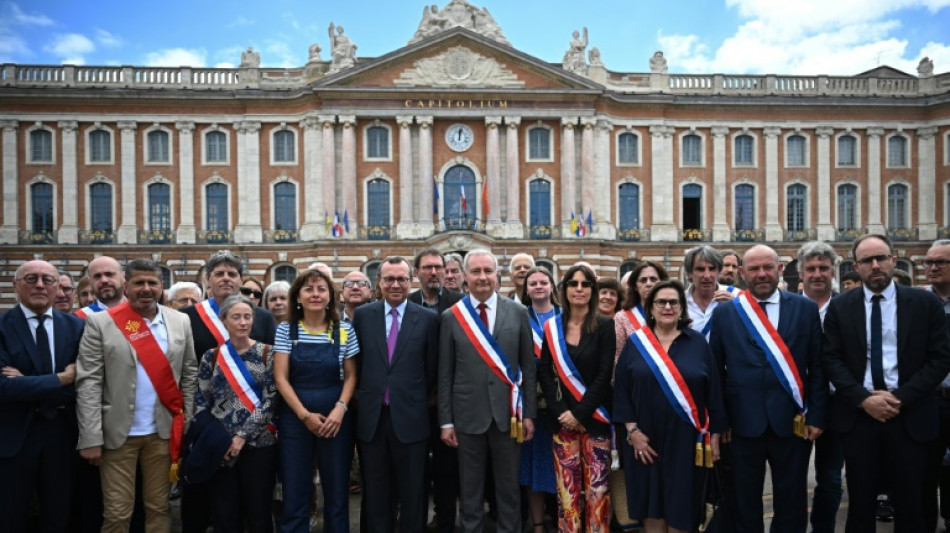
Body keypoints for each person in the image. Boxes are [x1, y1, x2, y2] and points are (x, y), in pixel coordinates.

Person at [823, 234, 950, 533]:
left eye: (881, 258)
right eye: (867, 260)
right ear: (856, 267)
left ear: (893, 260)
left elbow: (939, 358)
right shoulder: (840, 306)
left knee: (913, 504)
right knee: (860, 504)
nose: (876, 265)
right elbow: (831, 360)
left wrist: (901, 398)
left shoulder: (924, 303)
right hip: (860, 417)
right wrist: (864, 399)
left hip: (910, 414)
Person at [708, 245, 826, 532]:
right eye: (754, 269)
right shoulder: (725, 313)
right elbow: (716, 372)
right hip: (741, 423)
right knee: (744, 498)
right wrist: (720, 422)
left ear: (780, 269)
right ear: (742, 273)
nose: (761, 274)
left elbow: (818, 366)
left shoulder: (805, 308)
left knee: (792, 498)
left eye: (768, 267)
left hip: (793, 421)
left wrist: (817, 415)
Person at [76, 259, 198, 533]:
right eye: (138, 282)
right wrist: (91, 437)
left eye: (152, 282)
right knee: (117, 512)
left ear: (161, 286)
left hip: (163, 433)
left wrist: (186, 421)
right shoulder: (101, 322)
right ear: (126, 285)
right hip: (117, 434)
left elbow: (189, 374)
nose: (146, 288)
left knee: (159, 508)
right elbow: (89, 382)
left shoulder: (180, 321)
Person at [614, 280, 726, 532]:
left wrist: (715, 437)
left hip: (688, 441)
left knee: (683, 508)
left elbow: (714, 393)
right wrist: (633, 432)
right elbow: (621, 392)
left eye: (673, 302)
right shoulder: (636, 343)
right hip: (645, 442)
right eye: (661, 302)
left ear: (682, 308)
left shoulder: (697, 343)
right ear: (650, 308)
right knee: (651, 506)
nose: (667, 307)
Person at [438, 249, 537, 533]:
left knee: (509, 488)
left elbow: (528, 368)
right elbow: (445, 373)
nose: (483, 277)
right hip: (467, 416)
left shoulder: (518, 312)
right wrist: (446, 422)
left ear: (497, 275)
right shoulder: (451, 316)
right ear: (465, 277)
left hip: (510, 415)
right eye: (476, 271)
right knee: (470, 491)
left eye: (488, 271)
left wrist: (529, 414)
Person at [180, 252, 276, 533]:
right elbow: (198, 391)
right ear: (207, 279)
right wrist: (217, 436)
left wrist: (242, 435)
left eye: (232, 274)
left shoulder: (264, 320)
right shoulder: (188, 319)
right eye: (219, 274)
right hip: (216, 436)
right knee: (221, 509)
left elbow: (273, 391)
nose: (226, 279)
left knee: (258, 510)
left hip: (258, 438)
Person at [351, 257, 440, 532]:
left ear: (411, 281)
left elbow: (432, 368)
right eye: (389, 279)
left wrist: (414, 398)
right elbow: (356, 364)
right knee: (376, 492)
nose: (395, 285)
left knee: (414, 492)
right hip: (372, 419)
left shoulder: (428, 318)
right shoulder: (363, 316)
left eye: (401, 279)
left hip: (412, 418)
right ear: (379, 282)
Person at [0, 260, 85, 532]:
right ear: (15, 286)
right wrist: (62, 379)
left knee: (58, 517)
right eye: (31, 279)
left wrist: (27, 384)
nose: (39, 285)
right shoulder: (2, 327)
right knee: (10, 517)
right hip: (14, 436)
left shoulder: (76, 327)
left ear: (57, 287)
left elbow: (84, 386)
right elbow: (5, 389)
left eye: (47, 280)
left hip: (63, 435)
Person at [274, 268, 359, 533]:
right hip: (295, 418)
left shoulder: (344, 330)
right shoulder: (286, 330)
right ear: (298, 296)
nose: (315, 294)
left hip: (336, 418)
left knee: (337, 488)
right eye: (308, 289)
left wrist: (340, 409)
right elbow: (281, 379)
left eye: (321, 289)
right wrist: (304, 415)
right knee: (295, 487)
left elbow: (351, 375)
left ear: (330, 296)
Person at [537, 265, 615, 532]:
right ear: (565, 289)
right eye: (573, 283)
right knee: (567, 495)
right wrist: (564, 413)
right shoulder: (551, 327)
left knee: (598, 494)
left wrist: (580, 414)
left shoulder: (605, 325)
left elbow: (604, 375)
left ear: (593, 290)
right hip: (562, 422)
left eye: (585, 284)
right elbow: (545, 373)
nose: (579, 289)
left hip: (596, 419)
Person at [407, 249, 462, 533]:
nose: (434, 272)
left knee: (447, 469)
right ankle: (415, 520)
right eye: (427, 267)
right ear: (416, 272)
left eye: (438, 267)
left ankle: (445, 521)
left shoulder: (460, 303)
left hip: (449, 402)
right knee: (414, 467)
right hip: (414, 400)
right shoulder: (406, 302)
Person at [796, 241, 842, 533]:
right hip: (797, 404)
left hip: (837, 403)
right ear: (800, 273)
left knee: (831, 477)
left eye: (823, 268)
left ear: (833, 271)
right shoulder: (787, 307)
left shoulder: (847, 307)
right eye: (810, 268)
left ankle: (823, 528)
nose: (817, 274)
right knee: (792, 476)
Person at [519, 266, 560, 533]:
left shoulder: (565, 315)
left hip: (562, 404)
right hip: (531, 404)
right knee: (534, 468)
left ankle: (563, 520)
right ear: (526, 289)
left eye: (543, 282)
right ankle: (537, 524)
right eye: (532, 283)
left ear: (552, 286)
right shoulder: (519, 316)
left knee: (563, 467)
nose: (538, 287)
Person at [924, 239, 950, 532]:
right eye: (928, 262)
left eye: (940, 262)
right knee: (925, 470)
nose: (932, 268)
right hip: (928, 399)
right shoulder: (917, 301)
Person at [683, 246, 736, 338]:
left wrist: (738, 309)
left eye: (712, 269)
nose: (707, 276)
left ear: (719, 272)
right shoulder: (679, 302)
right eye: (700, 269)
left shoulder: (737, 297)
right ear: (689, 273)